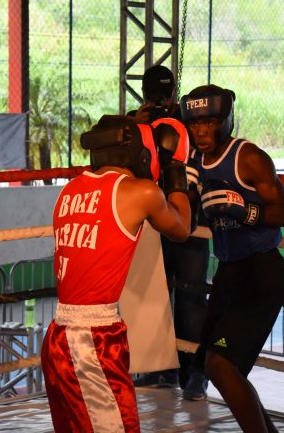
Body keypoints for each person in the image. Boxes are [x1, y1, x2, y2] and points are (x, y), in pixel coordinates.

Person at [41, 115, 191, 432]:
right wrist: (177, 168)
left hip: (58, 336)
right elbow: (181, 228)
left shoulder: (69, 191)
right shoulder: (143, 193)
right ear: (141, 151)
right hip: (91, 341)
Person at [181, 84, 284, 432]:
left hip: (261, 274)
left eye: (210, 122)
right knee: (219, 366)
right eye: (195, 124)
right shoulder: (194, 163)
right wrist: (178, 189)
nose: (201, 131)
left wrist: (245, 211)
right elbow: (184, 223)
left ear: (225, 121)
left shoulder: (248, 157)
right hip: (229, 274)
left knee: (221, 366)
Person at [129, 65, 211, 393]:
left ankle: (195, 372)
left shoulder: (191, 119)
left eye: (164, 94)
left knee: (191, 296)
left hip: (188, 216)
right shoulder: (136, 122)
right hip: (151, 219)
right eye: (157, 94)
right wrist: (139, 122)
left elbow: (210, 145)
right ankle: (156, 367)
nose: (162, 100)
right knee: (153, 295)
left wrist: (181, 116)